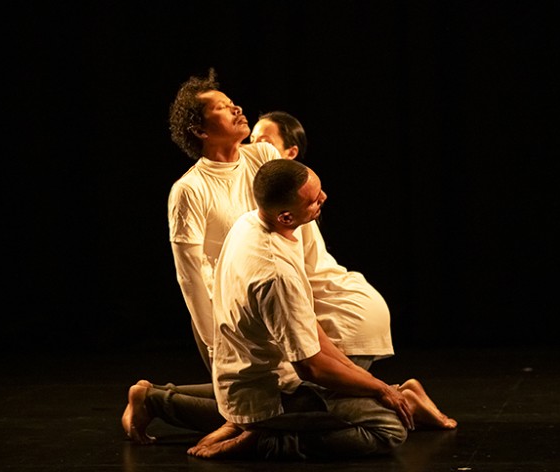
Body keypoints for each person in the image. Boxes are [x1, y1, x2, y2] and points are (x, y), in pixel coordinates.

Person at [122, 159, 457, 457]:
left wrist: (372, 384)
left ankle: (152, 398)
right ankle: (267, 440)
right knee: (389, 428)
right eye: (313, 199)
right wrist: (382, 391)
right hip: (271, 389)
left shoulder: (253, 223)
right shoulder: (275, 274)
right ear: (286, 215)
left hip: (254, 372)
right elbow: (311, 369)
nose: (323, 199)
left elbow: (312, 332)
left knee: (359, 395)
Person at [168, 71, 392, 372]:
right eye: (221, 107)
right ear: (200, 130)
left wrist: (310, 288)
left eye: (233, 102)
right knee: (270, 402)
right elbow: (191, 276)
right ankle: (157, 398)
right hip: (237, 309)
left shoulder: (262, 155)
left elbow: (301, 232)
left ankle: (155, 397)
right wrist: (215, 342)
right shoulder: (190, 189)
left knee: (358, 322)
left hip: (284, 286)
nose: (236, 109)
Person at [250, 111, 393, 370]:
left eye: (265, 142)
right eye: (252, 140)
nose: (255, 148)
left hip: (345, 317)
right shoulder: (275, 203)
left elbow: (299, 283)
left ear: (290, 153)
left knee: (308, 398)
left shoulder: (293, 207)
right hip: (343, 313)